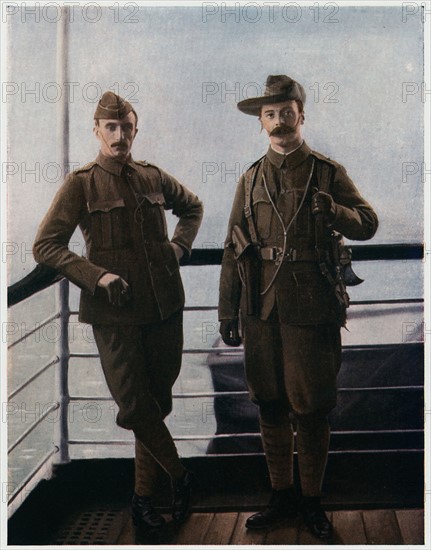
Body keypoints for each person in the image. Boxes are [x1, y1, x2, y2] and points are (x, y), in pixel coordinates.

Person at [33, 91, 203, 531]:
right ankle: (182, 478)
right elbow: (46, 245)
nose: (120, 135)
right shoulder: (81, 183)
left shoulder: (152, 176)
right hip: (115, 314)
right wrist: (95, 276)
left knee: (156, 405)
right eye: (111, 127)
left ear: (135, 130)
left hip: (165, 306)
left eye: (127, 126)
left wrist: (179, 247)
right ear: (97, 131)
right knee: (134, 406)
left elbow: (192, 207)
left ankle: (143, 500)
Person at [218, 74, 378, 539]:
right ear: (261, 123)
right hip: (260, 310)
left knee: (310, 408)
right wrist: (228, 311)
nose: (279, 121)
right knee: (268, 404)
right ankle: (281, 497)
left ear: (301, 116)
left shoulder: (328, 172)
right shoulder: (249, 179)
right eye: (270, 114)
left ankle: (311, 502)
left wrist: (337, 214)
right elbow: (233, 248)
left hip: (312, 310)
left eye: (287, 111)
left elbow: (368, 223)